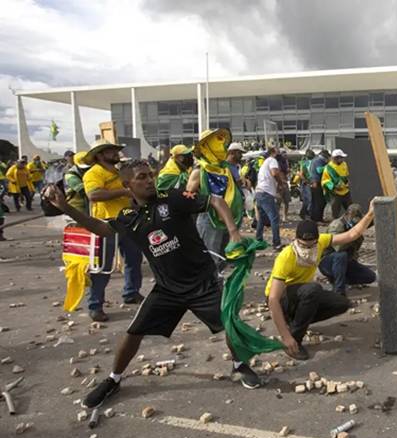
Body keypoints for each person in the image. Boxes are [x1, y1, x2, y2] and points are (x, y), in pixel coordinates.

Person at [44, 160, 264, 408]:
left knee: (229, 323)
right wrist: (65, 207)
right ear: (127, 184)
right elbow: (101, 228)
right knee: (133, 332)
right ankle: (113, 380)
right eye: (142, 177)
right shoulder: (128, 216)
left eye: (150, 175)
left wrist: (234, 231)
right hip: (167, 288)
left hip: (202, 282)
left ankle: (239, 365)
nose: (149, 180)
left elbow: (214, 200)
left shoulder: (173, 197)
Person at [265, 208, 375, 360]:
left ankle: (296, 321)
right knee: (313, 289)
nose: (308, 249)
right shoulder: (286, 257)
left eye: (312, 245)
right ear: (296, 240)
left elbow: (351, 235)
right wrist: (285, 336)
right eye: (304, 245)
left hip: (302, 293)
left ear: (317, 240)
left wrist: (370, 213)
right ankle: (294, 341)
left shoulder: (322, 241)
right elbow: (273, 299)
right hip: (283, 299)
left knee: (341, 303)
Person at [82, 141, 144, 321]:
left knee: (134, 259)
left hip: (126, 221)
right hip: (105, 225)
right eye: (112, 151)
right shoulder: (94, 173)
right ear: (100, 155)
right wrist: (123, 193)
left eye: (117, 150)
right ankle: (95, 305)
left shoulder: (117, 172)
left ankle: (131, 292)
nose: (117, 153)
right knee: (102, 267)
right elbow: (94, 195)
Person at [187, 129, 245, 274]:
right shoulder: (200, 170)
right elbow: (188, 197)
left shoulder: (224, 169)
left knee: (224, 256)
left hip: (228, 218)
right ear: (207, 146)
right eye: (216, 142)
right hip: (209, 218)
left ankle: (214, 281)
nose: (222, 146)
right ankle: (208, 288)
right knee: (210, 256)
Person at [319, 204, 376, 296]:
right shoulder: (337, 225)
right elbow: (339, 247)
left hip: (346, 261)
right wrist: (353, 234)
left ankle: (340, 278)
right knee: (341, 256)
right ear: (347, 216)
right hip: (328, 261)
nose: (356, 224)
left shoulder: (354, 224)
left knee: (370, 277)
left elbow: (367, 223)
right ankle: (339, 291)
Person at [254, 147, 282, 250]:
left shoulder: (264, 163)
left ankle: (258, 240)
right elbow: (274, 173)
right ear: (273, 153)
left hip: (259, 192)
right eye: (277, 151)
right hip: (266, 193)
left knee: (261, 218)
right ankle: (276, 243)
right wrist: (280, 183)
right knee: (274, 218)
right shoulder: (272, 160)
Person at [321, 149, 352, 219]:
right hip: (336, 193)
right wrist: (334, 186)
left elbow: (346, 175)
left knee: (350, 209)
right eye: (341, 157)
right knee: (335, 211)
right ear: (336, 158)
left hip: (346, 191)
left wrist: (347, 182)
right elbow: (325, 181)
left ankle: (351, 223)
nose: (342, 159)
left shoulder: (344, 164)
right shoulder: (329, 168)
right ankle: (335, 224)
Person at [309, 149, 328, 222]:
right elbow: (319, 170)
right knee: (318, 202)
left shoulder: (316, 160)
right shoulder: (318, 161)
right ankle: (317, 219)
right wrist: (327, 166)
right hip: (316, 183)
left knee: (319, 202)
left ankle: (318, 218)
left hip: (316, 183)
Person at [298, 149, 314, 219]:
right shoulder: (305, 163)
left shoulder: (304, 162)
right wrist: (306, 181)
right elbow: (301, 174)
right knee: (308, 200)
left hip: (308, 182)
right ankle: (305, 214)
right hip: (307, 183)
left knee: (308, 200)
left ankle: (304, 213)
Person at [275, 148, 291, 220]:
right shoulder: (277, 162)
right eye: (283, 153)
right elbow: (278, 173)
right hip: (279, 183)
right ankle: (277, 216)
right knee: (278, 201)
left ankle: (285, 216)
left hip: (285, 182)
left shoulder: (285, 162)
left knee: (286, 200)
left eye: (285, 153)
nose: (285, 154)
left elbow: (287, 172)